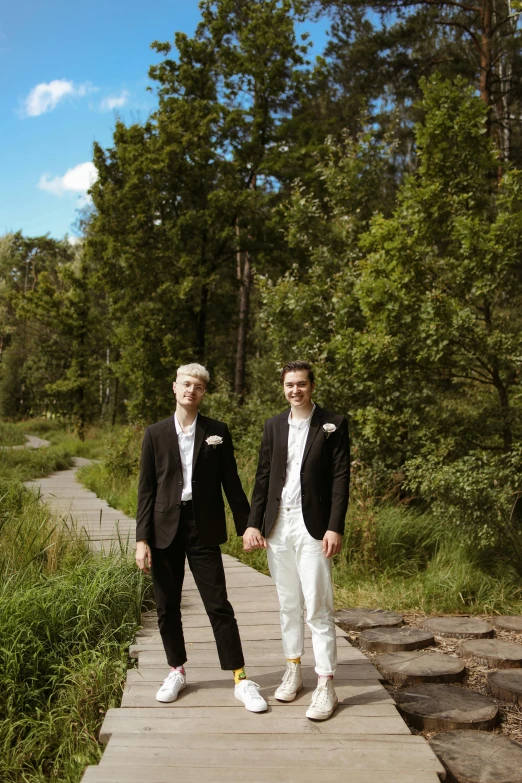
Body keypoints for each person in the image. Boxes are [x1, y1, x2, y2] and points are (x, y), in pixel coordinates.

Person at [135, 362, 267, 713]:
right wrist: (141, 539)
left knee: (218, 604)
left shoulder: (217, 432)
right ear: (174, 387)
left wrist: (248, 525)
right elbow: (146, 490)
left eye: (198, 386)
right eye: (186, 384)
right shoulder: (155, 434)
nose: (191, 390)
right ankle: (176, 669)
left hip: (202, 527)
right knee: (166, 606)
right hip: (163, 529)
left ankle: (240, 677)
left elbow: (232, 484)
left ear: (203, 393)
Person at [243, 360, 350, 720]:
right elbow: (262, 479)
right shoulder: (273, 426)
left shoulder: (333, 424)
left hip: (314, 527)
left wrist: (335, 526)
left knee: (318, 607)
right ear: (283, 387)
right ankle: (294, 670)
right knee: (288, 604)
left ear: (312, 386)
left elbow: (340, 479)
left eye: (301, 384)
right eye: (289, 385)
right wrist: (252, 524)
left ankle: (326, 684)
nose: (295, 390)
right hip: (278, 527)